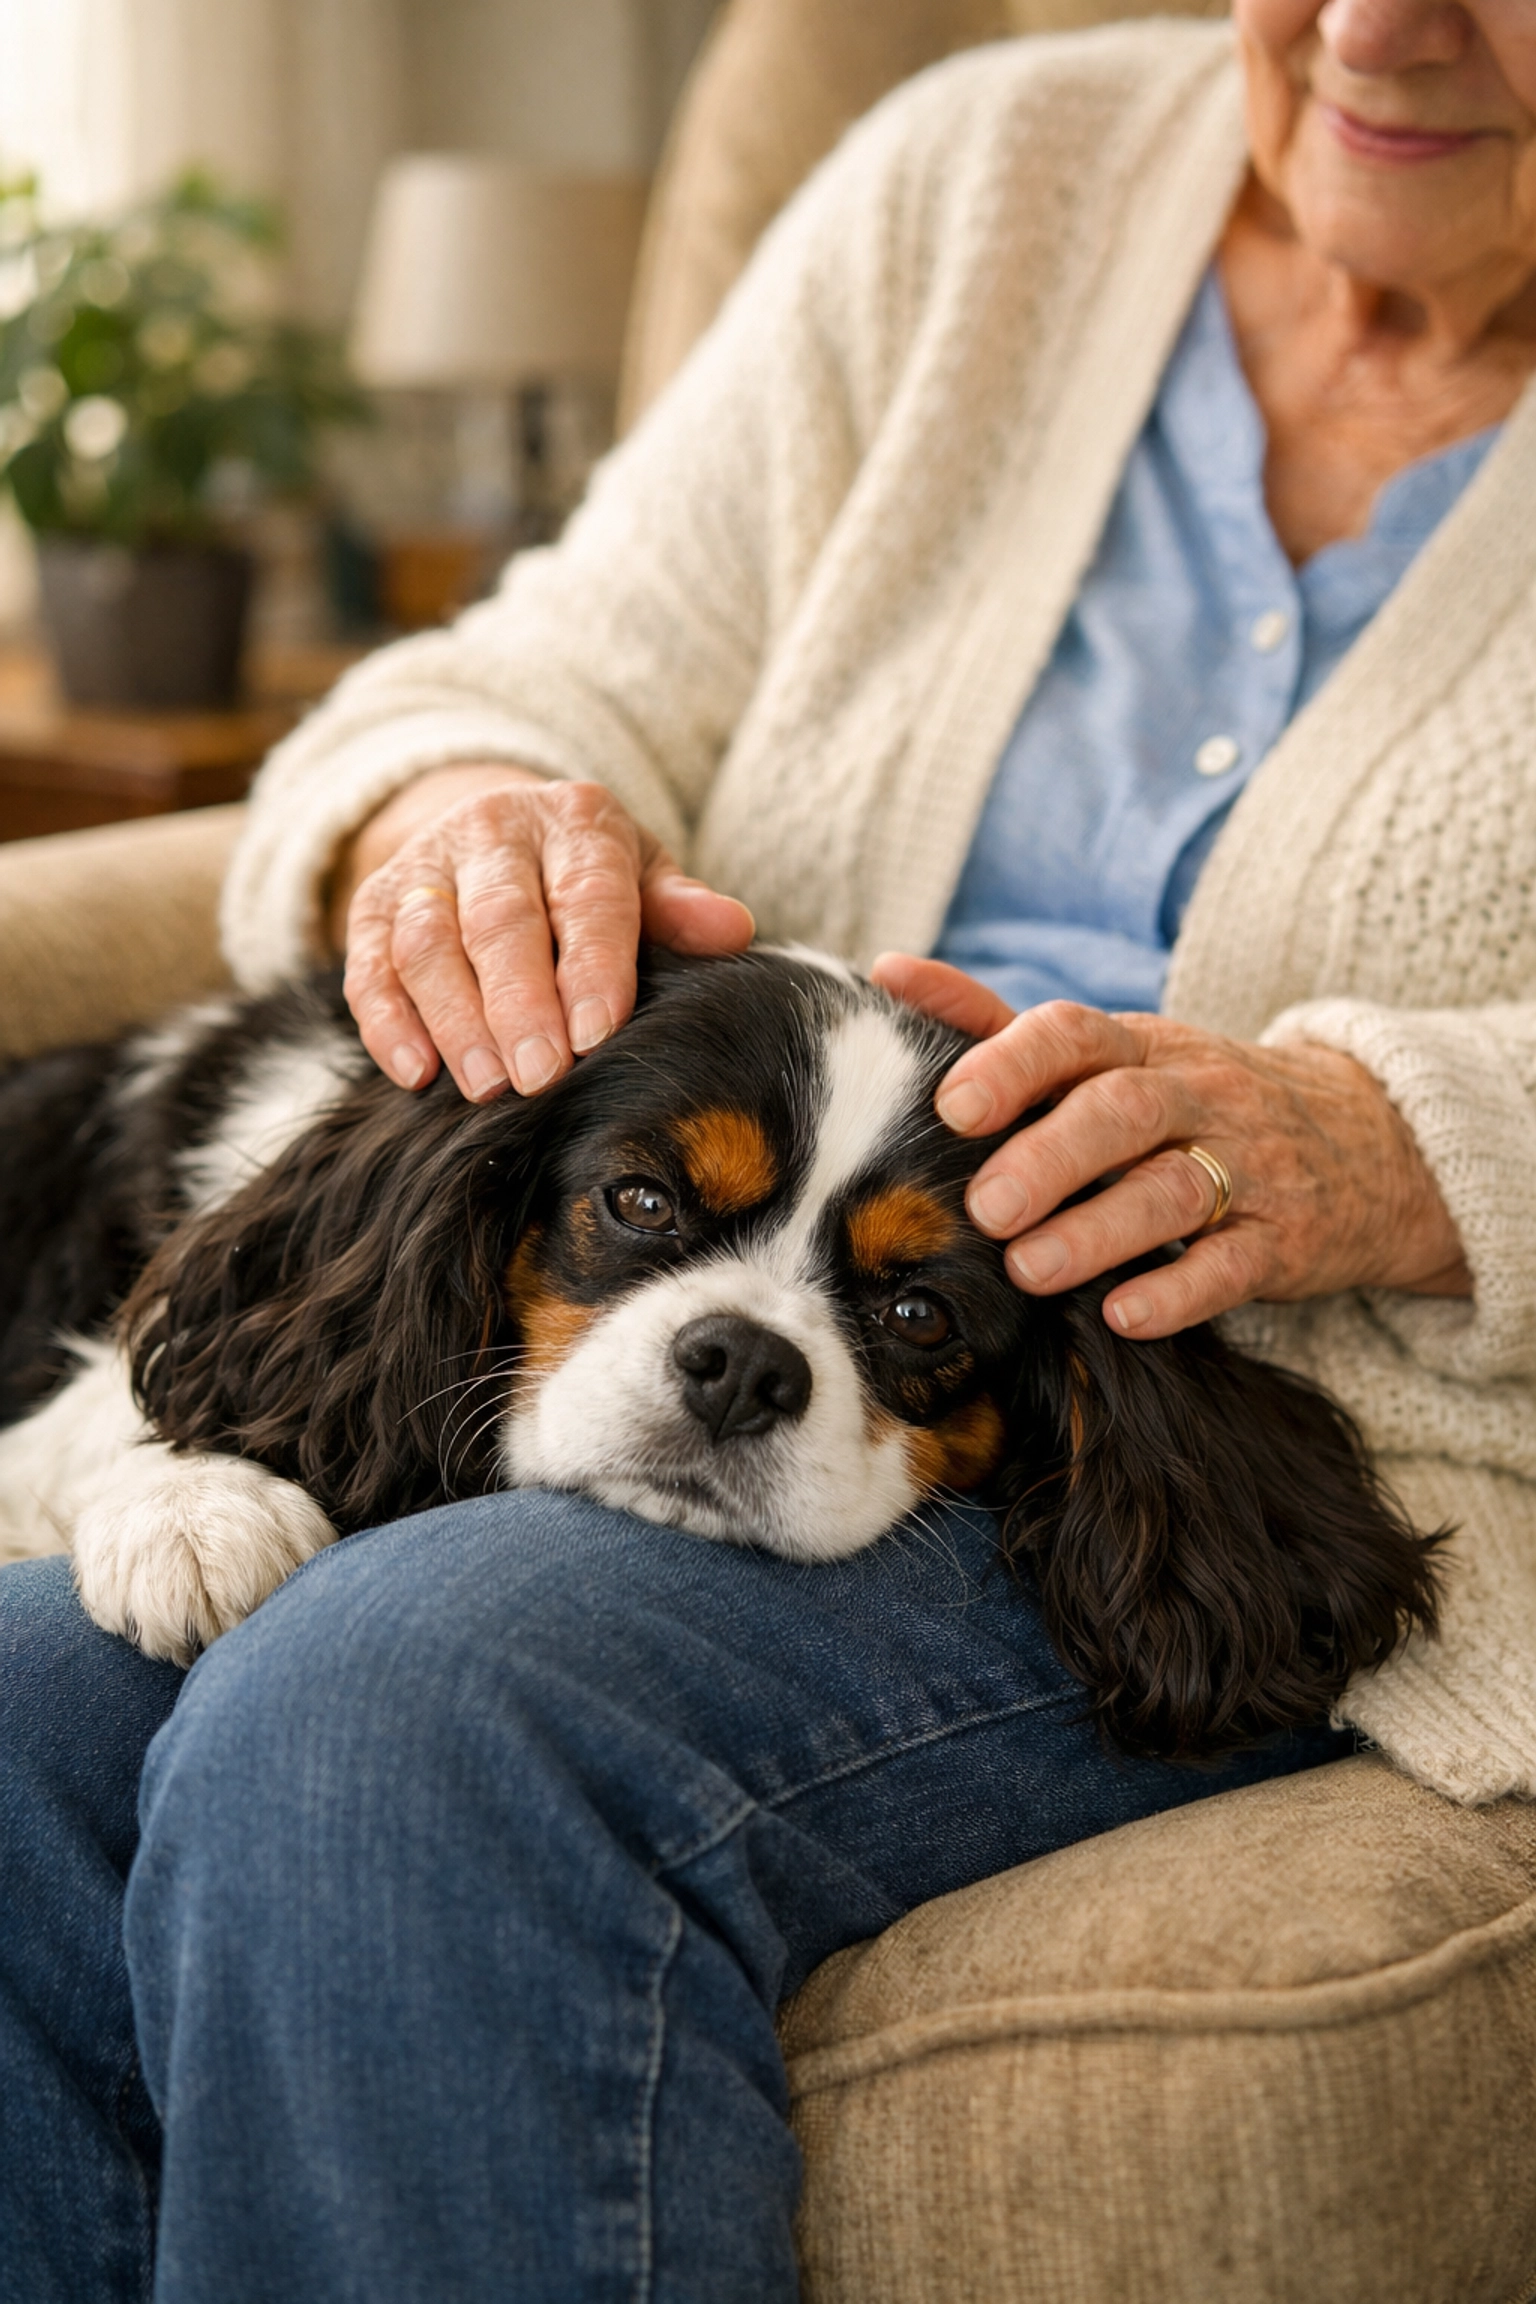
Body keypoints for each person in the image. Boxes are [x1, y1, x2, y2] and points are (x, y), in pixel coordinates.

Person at [6, 1, 1536, 2295]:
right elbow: (542, 666)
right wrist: (471, 825)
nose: (1385, 24)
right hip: (800, 1206)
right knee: (27, 1713)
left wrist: (1402, 1141)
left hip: (1234, 1466)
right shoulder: (980, 173)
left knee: (405, 1702)